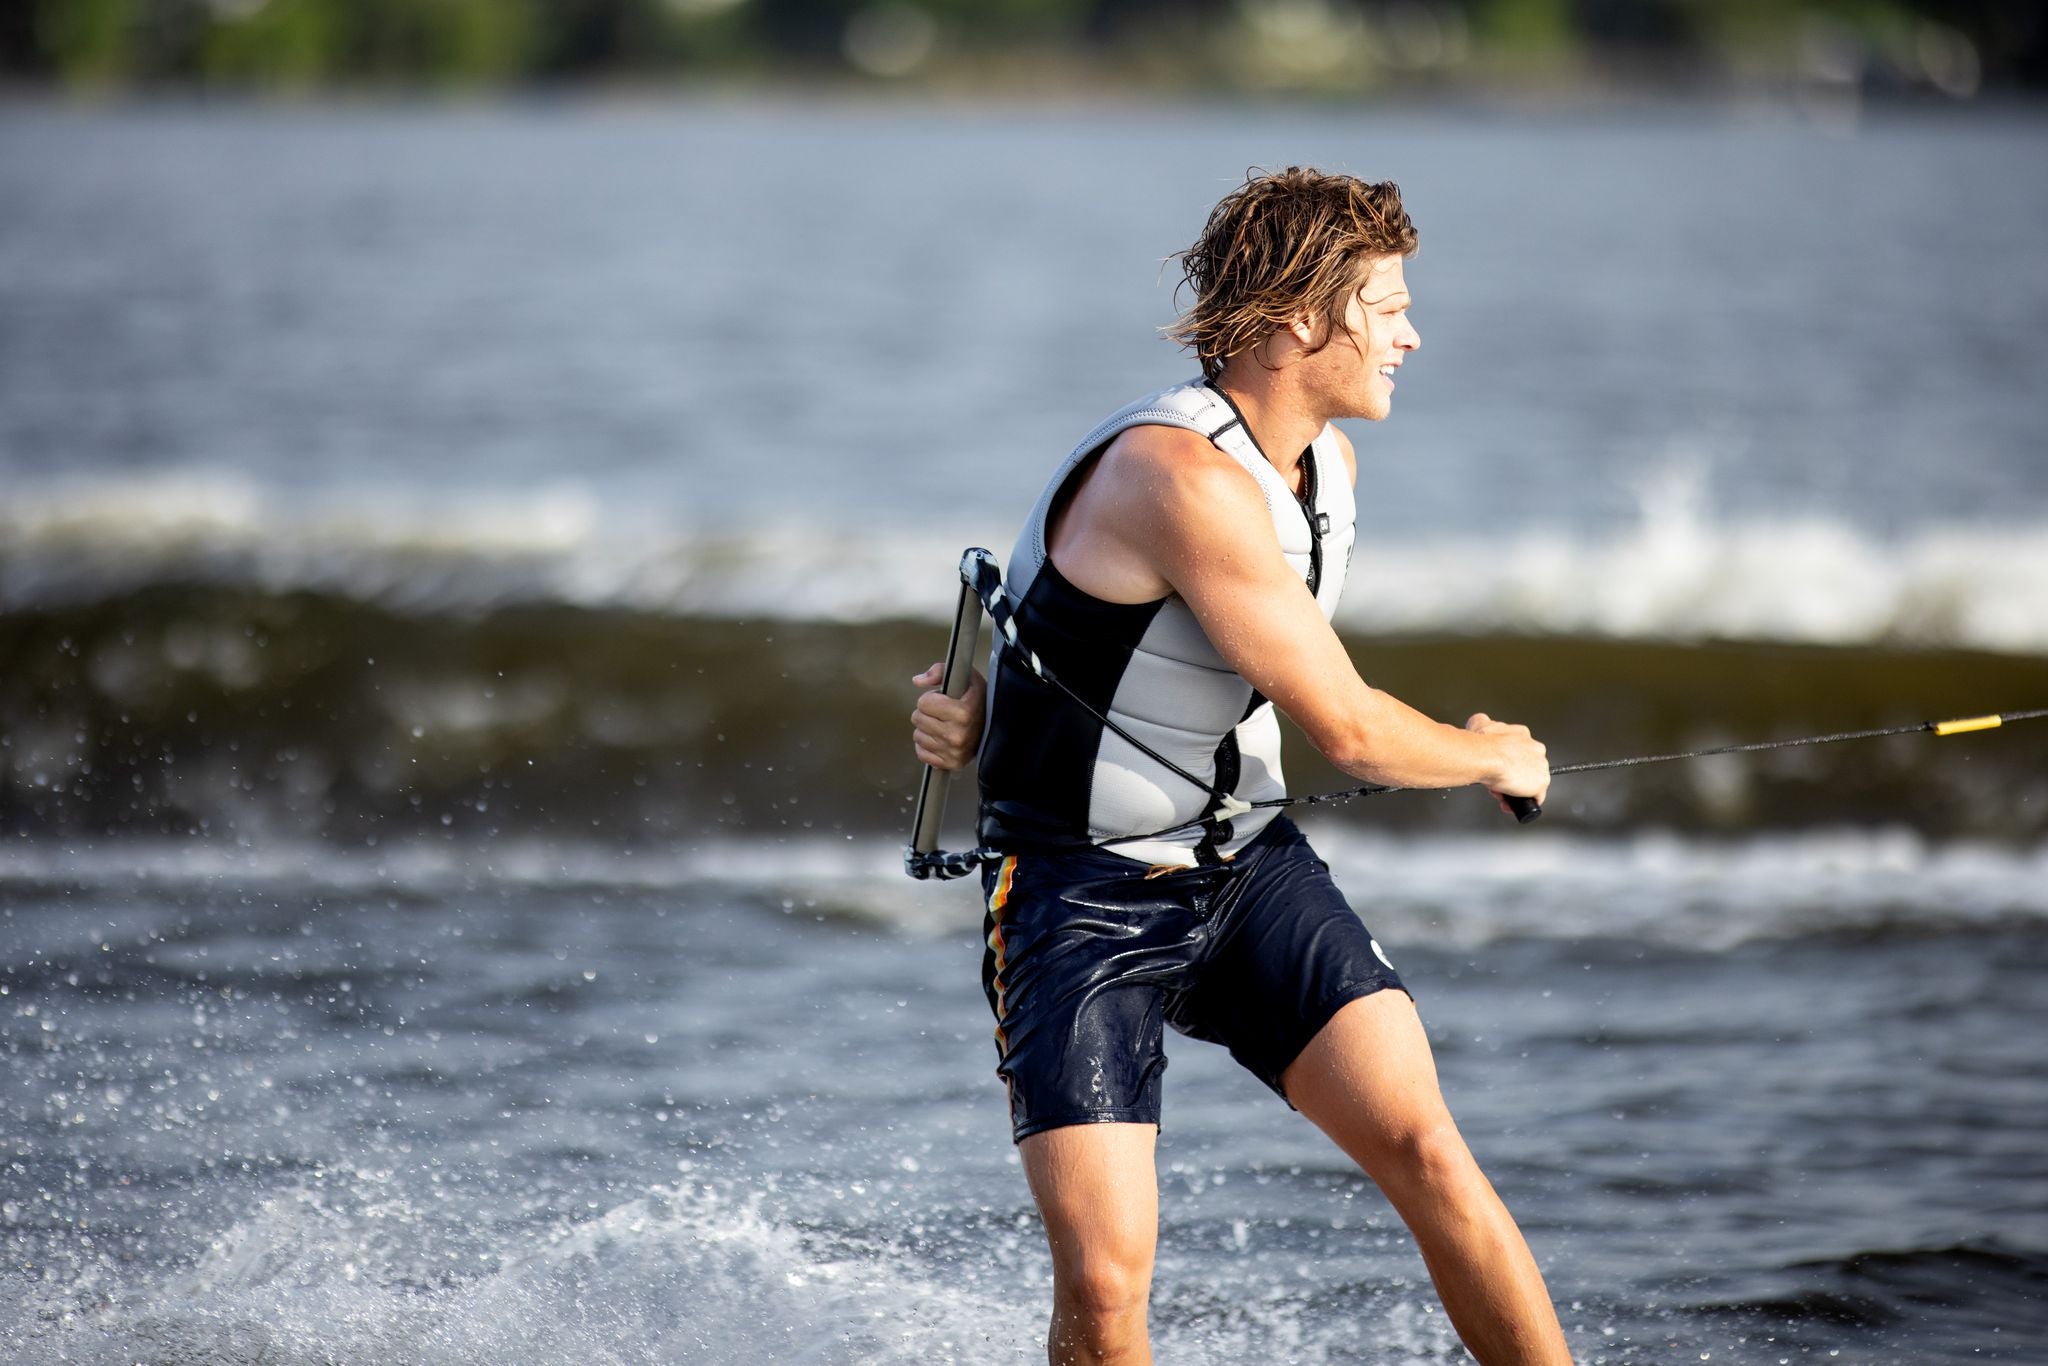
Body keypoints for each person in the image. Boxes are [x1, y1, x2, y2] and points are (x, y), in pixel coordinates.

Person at [909, 167, 1571, 1366]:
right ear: (1299, 320)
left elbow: (1162, 662)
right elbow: (1353, 733)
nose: (1411, 334)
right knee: (1107, 1285)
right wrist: (1490, 756)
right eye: (1387, 308)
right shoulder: (1180, 478)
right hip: (1077, 892)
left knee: (1426, 1149)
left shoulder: (1325, 473)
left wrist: (981, 711)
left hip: (1246, 870)